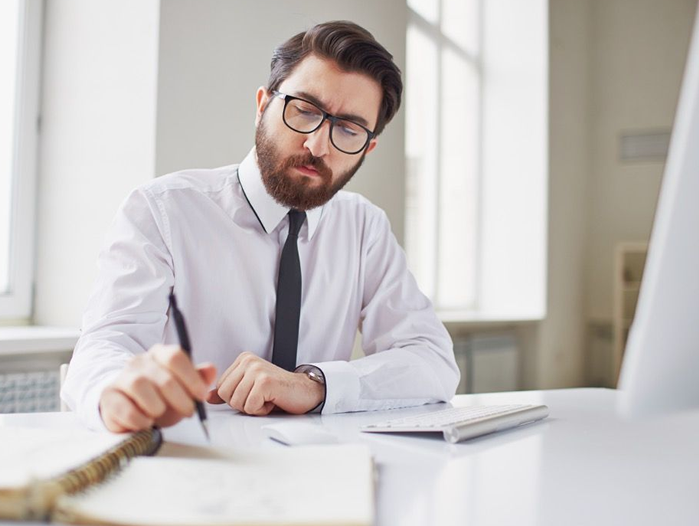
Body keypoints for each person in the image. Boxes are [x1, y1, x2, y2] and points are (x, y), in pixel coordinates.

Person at [62, 21, 460, 433]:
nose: (317, 145)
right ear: (262, 105)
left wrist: (315, 384)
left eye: (347, 128)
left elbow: (431, 361)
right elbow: (104, 346)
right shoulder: (162, 210)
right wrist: (118, 394)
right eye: (304, 110)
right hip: (189, 460)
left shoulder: (364, 227)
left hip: (319, 470)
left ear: (368, 148)